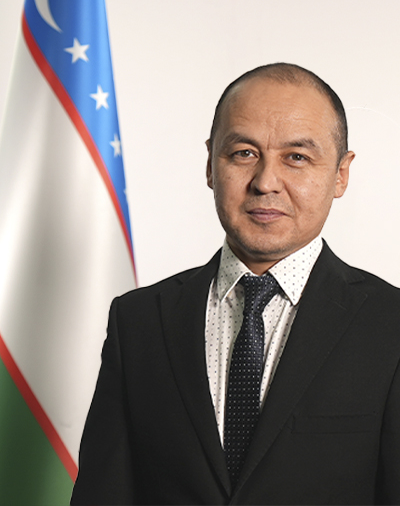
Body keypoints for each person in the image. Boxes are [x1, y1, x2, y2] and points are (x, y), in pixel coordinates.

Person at [70, 63, 400, 505]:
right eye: (244, 153)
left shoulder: (390, 326)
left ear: (341, 174)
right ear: (210, 164)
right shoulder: (139, 321)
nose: (265, 182)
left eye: (296, 157)